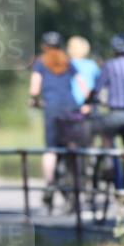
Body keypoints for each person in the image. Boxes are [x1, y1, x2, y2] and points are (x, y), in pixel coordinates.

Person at [29, 31, 89, 203]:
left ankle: (49, 184)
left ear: (44, 46)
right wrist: (87, 102)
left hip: (52, 108)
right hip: (71, 107)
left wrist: (34, 101)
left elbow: (34, 88)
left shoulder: (40, 62)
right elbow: (81, 83)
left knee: (51, 149)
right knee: (72, 145)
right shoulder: (67, 61)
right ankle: (76, 181)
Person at [67, 35, 100, 107]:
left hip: (71, 102)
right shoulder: (92, 64)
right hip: (89, 101)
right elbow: (98, 81)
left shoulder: (67, 64)